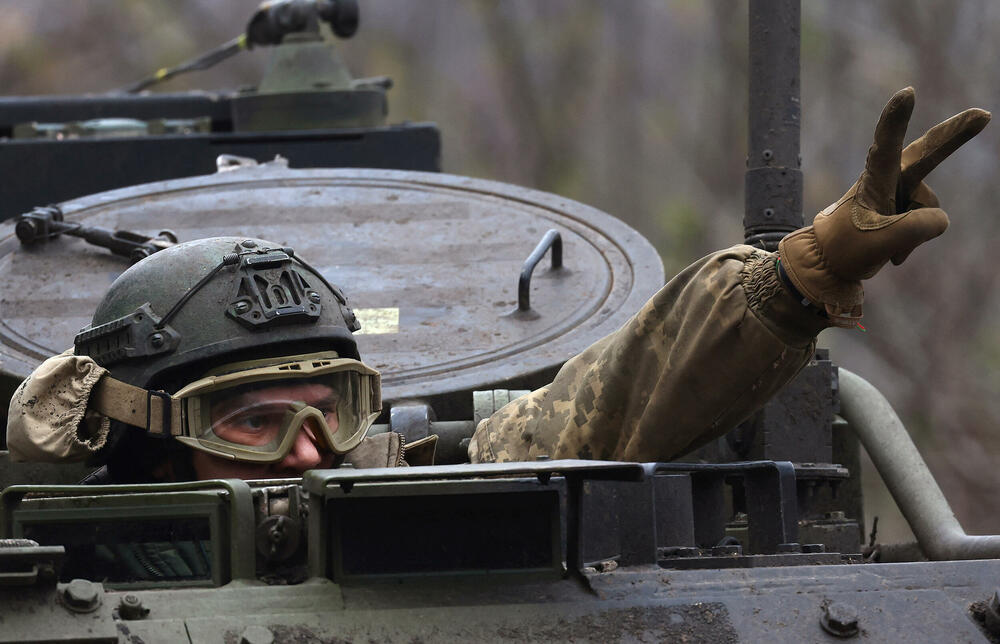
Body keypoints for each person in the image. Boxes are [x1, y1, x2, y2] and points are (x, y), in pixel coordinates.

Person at [6, 88, 991, 482]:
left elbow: (613, 397)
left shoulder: (401, 490)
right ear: (150, 438)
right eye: (252, 424)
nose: (310, 453)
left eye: (332, 409)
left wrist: (804, 271)